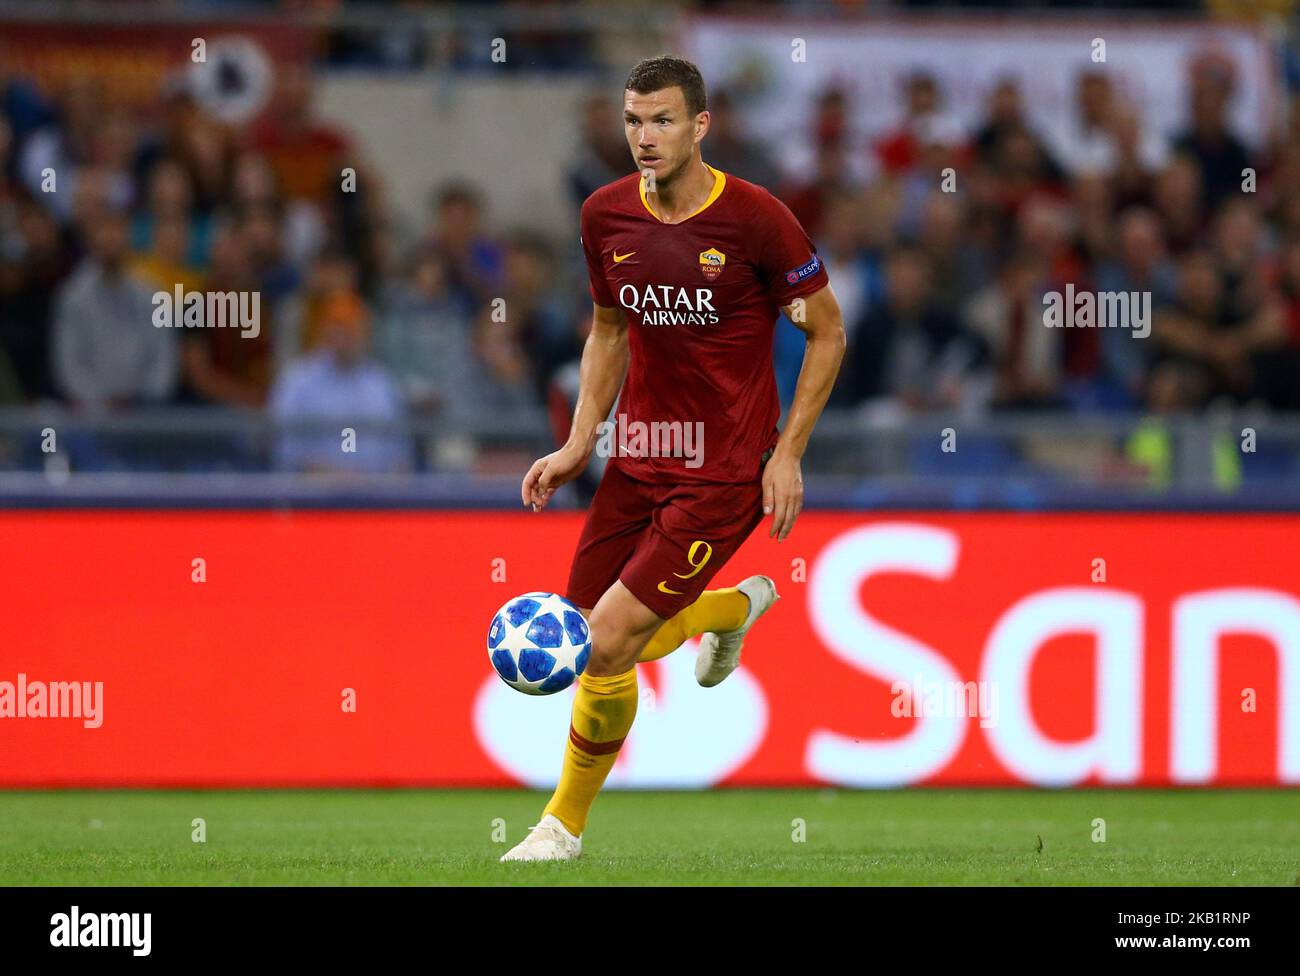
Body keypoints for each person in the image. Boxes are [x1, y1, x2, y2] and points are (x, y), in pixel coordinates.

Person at [502, 56, 845, 861]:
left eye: (661, 121)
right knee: (594, 639)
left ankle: (561, 828)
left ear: (700, 126)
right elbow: (610, 332)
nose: (644, 138)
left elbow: (826, 330)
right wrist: (581, 438)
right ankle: (734, 608)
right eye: (631, 120)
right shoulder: (605, 216)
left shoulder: (758, 221)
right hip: (637, 455)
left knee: (612, 640)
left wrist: (788, 455)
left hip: (726, 466)